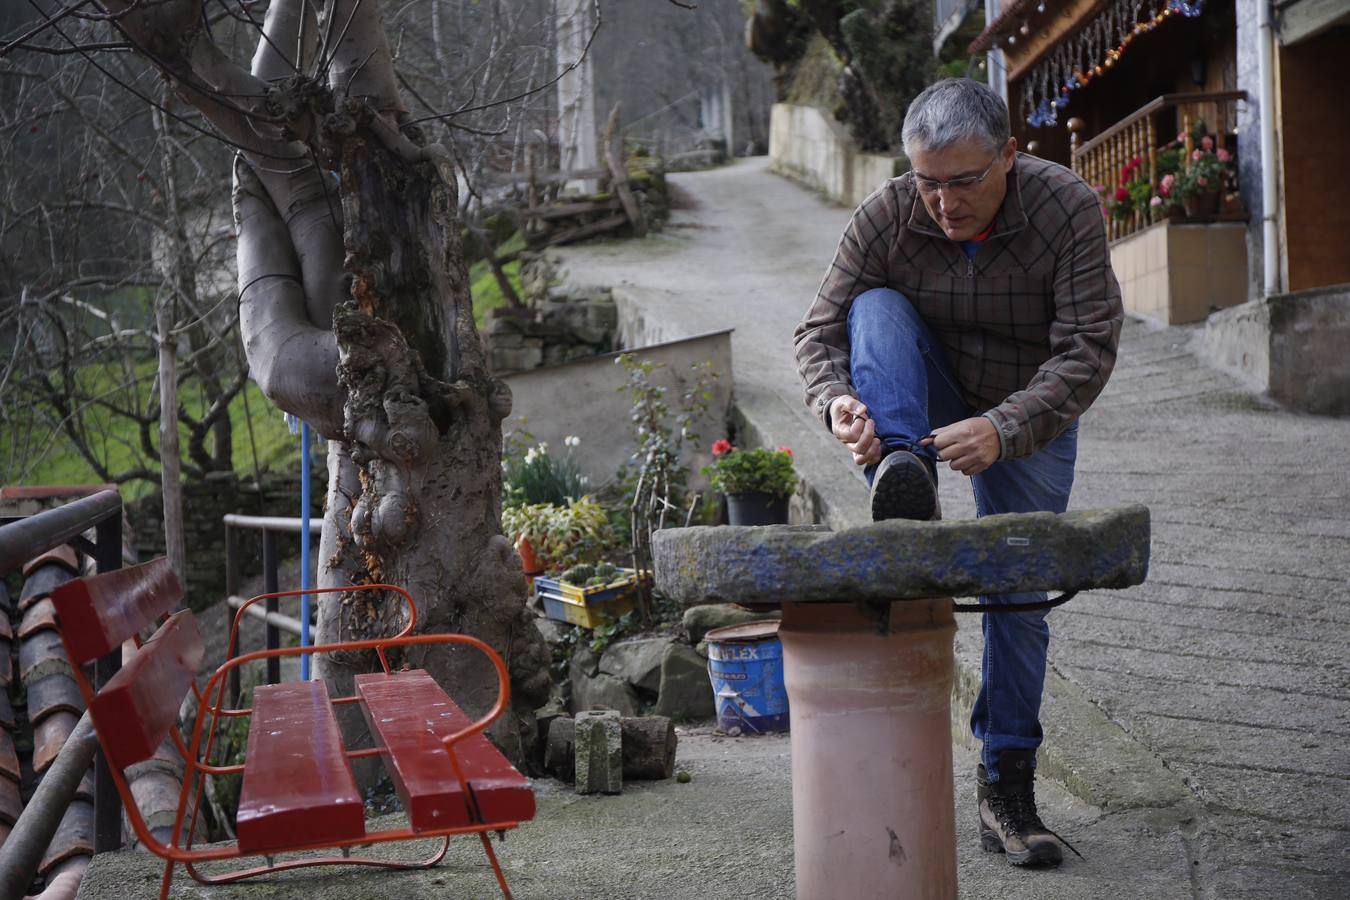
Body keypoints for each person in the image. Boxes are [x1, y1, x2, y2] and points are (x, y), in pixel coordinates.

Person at [793, 77, 1123, 867]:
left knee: (1020, 588)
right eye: (927, 182)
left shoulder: (1066, 206)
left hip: (1027, 407)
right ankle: (902, 468)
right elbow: (819, 332)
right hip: (927, 395)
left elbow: (1088, 350)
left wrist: (1005, 429)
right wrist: (837, 400)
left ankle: (1005, 782)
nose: (942, 202)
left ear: (1011, 154)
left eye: (964, 181)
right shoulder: (886, 213)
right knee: (873, 306)